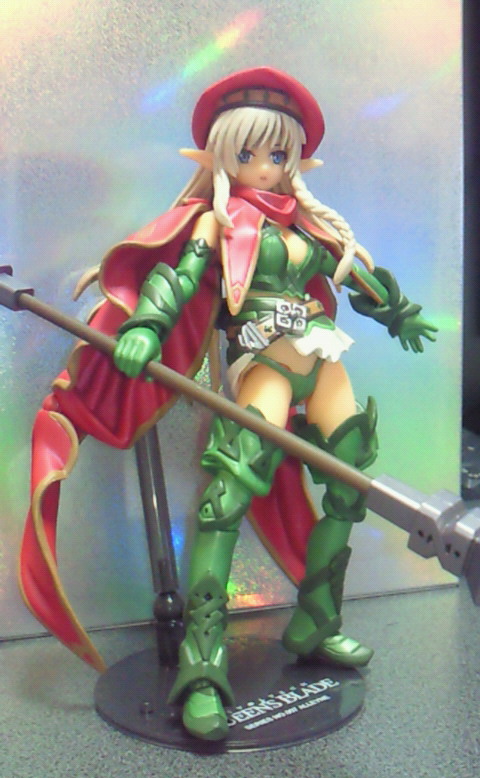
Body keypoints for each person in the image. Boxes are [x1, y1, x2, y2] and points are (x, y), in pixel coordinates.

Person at [20, 67, 436, 742]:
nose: (266, 165)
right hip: (263, 361)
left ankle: (316, 622)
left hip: (321, 356)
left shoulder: (309, 222)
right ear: (221, 155)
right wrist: (147, 327)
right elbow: (179, 277)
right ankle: (202, 666)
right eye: (248, 152)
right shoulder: (218, 222)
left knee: (350, 478)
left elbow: (353, 276)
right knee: (227, 498)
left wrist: (397, 311)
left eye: (279, 152)